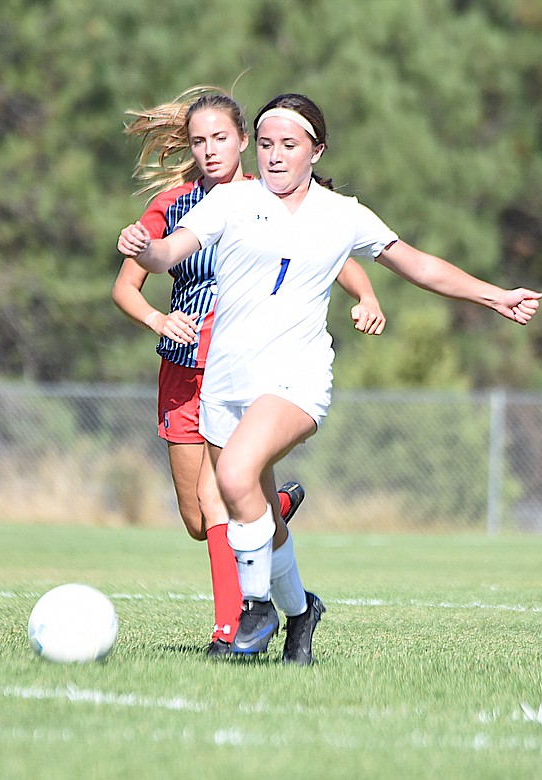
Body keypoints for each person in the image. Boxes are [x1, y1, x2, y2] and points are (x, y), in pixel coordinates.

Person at [118, 92, 542, 665]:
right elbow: (169, 255)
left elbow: (416, 264)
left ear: (315, 151)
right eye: (266, 144)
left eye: (288, 145)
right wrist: (145, 251)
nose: (273, 156)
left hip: (296, 378)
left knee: (236, 477)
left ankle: (254, 610)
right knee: (260, 520)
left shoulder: (343, 215)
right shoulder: (231, 202)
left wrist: (495, 296)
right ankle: (299, 614)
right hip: (225, 383)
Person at [112, 88, 387, 657]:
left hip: (250, 367)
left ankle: (233, 629)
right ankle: (268, 516)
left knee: (221, 499)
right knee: (196, 516)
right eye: (198, 141)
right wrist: (158, 318)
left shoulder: (273, 199)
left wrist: (366, 295)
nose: (211, 150)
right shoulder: (177, 205)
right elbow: (130, 282)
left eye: (221, 138)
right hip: (185, 370)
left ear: (243, 141)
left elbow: (336, 257)